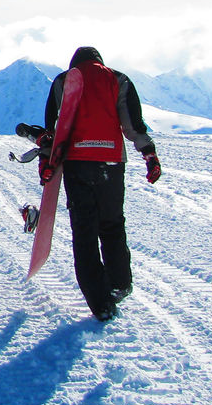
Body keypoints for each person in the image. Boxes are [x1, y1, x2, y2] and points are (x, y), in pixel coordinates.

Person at [44, 46, 162, 322]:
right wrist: (149, 154)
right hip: (111, 162)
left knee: (84, 234)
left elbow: (53, 129)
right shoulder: (118, 79)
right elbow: (133, 126)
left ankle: (101, 304)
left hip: (77, 163)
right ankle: (120, 283)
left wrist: (47, 164)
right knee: (112, 224)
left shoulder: (64, 81)